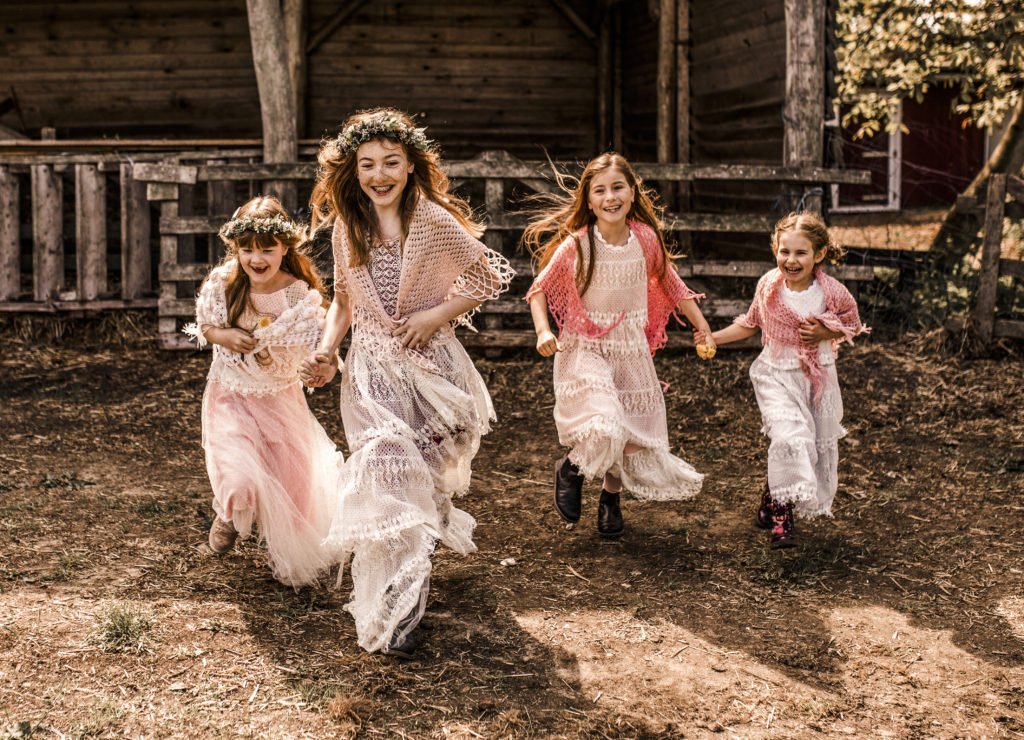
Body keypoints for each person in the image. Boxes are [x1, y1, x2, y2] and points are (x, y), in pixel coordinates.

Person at [300, 108, 513, 658]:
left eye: (391, 162)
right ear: (353, 172)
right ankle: (395, 608)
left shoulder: (434, 222)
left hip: (430, 369)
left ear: (412, 167)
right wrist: (326, 351)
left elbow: (489, 276)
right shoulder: (350, 228)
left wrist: (435, 315)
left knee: (423, 479)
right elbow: (344, 301)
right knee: (385, 471)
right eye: (367, 164)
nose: (379, 174)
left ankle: (413, 574)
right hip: (371, 371)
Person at [524, 152, 711, 539]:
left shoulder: (644, 239)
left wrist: (702, 326)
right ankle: (571, 469)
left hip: (629, 348)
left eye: (617, 187)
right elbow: (539, 289)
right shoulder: (578, 245)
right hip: (585, 347)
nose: (610, 197)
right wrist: (544, 331)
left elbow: (671, 284)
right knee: (606, 421)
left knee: (626, 434)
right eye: (600, 191)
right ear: (589, 200)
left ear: (632, 191)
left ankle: (610, 500)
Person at [186, 195, 342, 587]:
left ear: (285, 247)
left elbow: (316, 344)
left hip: (280, 399)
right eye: (247, 250)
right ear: (235, 249)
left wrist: (316, 367)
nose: (257, 258)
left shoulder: (295, 293)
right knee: (240, 480)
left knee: (294, 484)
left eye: (267, 250)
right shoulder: (224, 284)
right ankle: (229, 513)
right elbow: (205, 326)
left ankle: (290, 556)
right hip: (231, 394)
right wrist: (226, 335)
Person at [701, 211, 868, 549]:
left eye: (801, 253)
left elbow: (851, 323)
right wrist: (713, 338)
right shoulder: (769, 287)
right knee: (790, 437)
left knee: (806, 444)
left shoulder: (831, 293)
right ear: (774, 249)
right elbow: (750, 323)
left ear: (818, 255)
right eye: (784, 251)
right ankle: (781, 519)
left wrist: (825, 329)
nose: (791, 260)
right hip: (775, 374)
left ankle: (770, 498)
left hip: (815, 379)